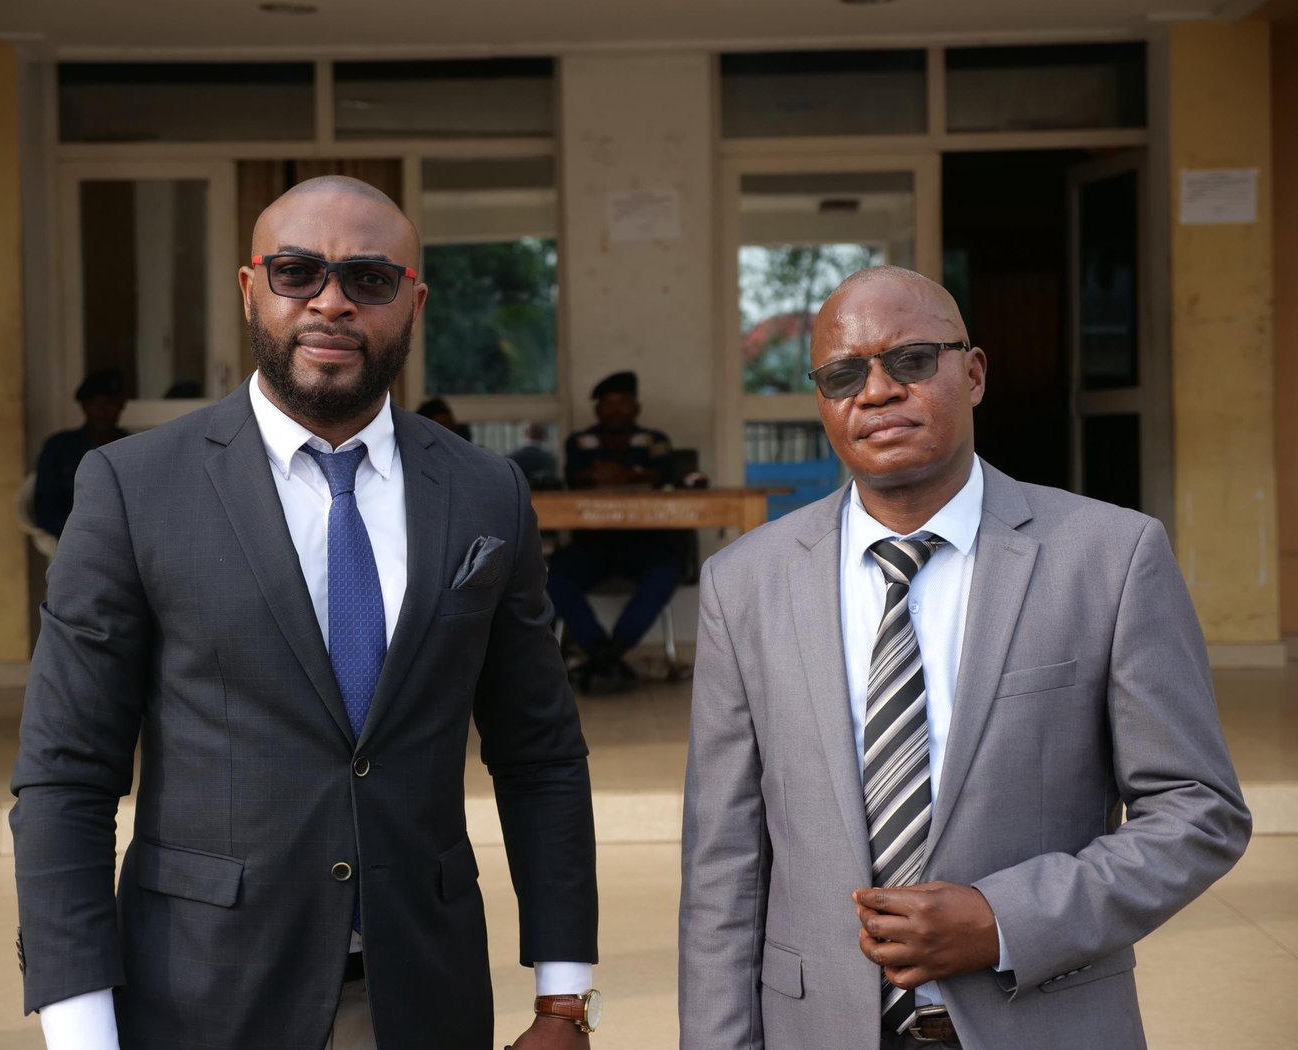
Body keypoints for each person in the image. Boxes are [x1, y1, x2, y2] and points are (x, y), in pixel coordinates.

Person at [10, 176, 600, 1050]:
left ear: (413, 300)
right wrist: (80, 1028)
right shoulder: (136, 487)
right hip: (200, 995)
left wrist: (564, 997)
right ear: (251, 287)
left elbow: (540, 752)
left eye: (369, 279)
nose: (331, 301)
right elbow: (67, 771)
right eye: (298, 272)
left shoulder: (485, 493)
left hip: (425, 995)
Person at [679, 265, 1250, 1050]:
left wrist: (1003, 921)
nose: (876, 392)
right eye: (844, 374)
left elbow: (1197, 809)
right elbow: (723, 869)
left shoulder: (1110, 558)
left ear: (973, 373)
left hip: (1045, 1019)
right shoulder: (742, 586)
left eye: (911, 361)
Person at [547, 371, 685, 695]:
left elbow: (666, 474)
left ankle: (608, 653)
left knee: (668, 569)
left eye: (622, 403)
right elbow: (576, 477)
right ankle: (601, 650)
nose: (615, 410)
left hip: (644, 543)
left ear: (636, 407)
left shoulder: (655, 439)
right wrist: (633, 474)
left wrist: (621, 473)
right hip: (593, 543)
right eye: (607, 404)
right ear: (597, 410)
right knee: (553, 574)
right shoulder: (580, 441)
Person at [32, 369, 128, 537]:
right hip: (73, 538)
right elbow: (46, 509)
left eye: (110, 403)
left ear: (121, 406)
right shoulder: (59, 447)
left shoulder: (131, 448)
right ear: (84, 406)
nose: (103, 411)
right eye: (95, 404)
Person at [508, 422, 562, 490]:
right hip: (545, 495)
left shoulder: (513, 455)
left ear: (525, 434)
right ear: (543, 435)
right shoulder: (549, 457)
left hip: (519, 493)